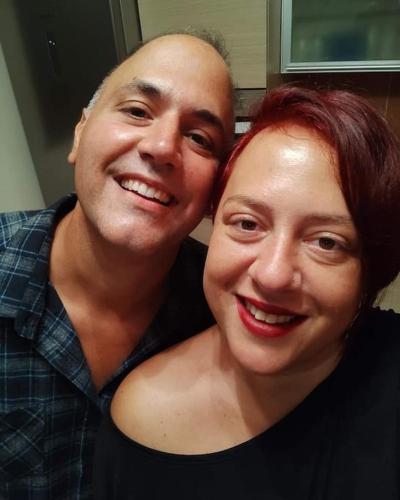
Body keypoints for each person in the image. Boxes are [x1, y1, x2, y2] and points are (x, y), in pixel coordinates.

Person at [94, 85, 400, 499]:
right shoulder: (140, 418)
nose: (273, 275)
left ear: (369, 271)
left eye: (327, 242)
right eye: (247, 224)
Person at [0, 32, 234, 498]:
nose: (162, 147)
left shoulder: (225, 316)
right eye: (137, 111)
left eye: (199, 138)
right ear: (80, 132)